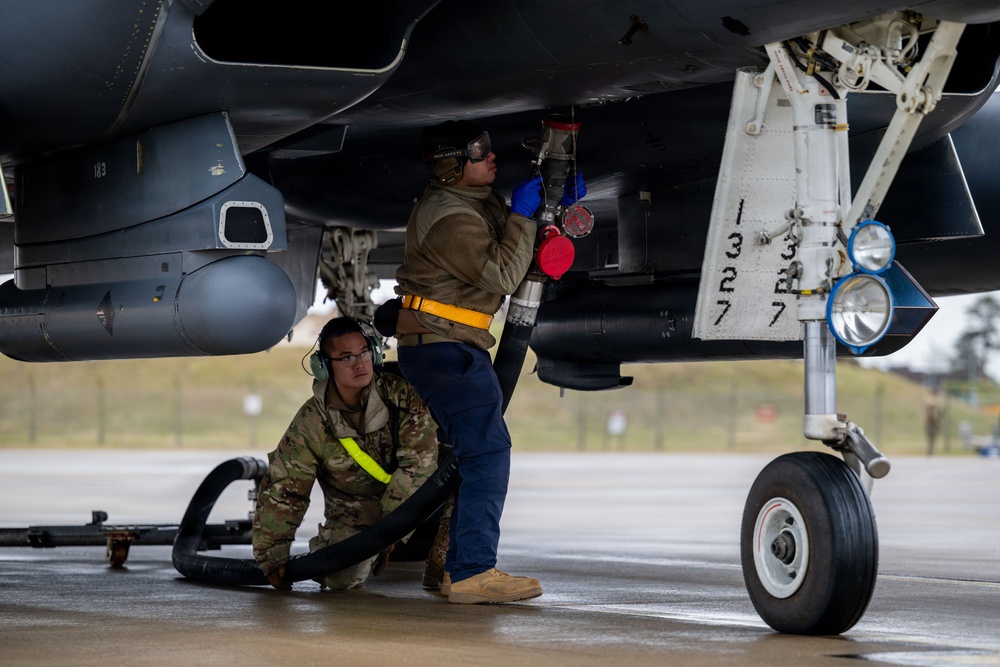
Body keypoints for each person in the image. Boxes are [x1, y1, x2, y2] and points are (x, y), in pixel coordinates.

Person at [392, 119, 584, 604]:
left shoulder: (475, 202)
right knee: (487, 453)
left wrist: (549, 206)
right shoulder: (449, 216)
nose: (490, 156)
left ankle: (452, 568)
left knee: (473, 453)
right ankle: (473, 571)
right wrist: (522, 214)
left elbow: (515, 246)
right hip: (442, 347)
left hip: (452, 345)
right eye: (478, 153)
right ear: (452, 167)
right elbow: (502, 272)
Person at [252, 317, 440, 590]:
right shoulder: (312, 420)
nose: (359, 363)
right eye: (346, 357)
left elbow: (418, 464)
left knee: (462, 474)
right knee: (339, 578)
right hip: (355, 510)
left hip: (419, 502)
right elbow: (286, 486)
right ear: (324, 366)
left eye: (364, 352)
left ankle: (444, 562)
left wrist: (391, 531)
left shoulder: (401, 395)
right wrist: (272, 555)